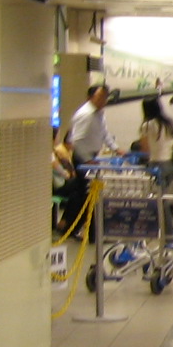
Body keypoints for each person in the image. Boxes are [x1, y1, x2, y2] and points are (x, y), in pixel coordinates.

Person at [63, 84, 117, 236]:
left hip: (91, 158)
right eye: (100, 97)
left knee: (87, 194)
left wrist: (116, 148)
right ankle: (83, 230)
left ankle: (88, 230)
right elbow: (76, 141)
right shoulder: (85, 115)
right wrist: (86, 160)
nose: (103, 100)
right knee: (85, 195)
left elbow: (104, 133)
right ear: (90, 97)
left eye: (105, 97)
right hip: (83, 160)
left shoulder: (99, 113)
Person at [136, 97, 173, 189]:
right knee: (170, 193)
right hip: (170, 163)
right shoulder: (170, 122)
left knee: (158, 195)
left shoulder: (147, 126)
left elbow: (145, 149)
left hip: (155, 164)